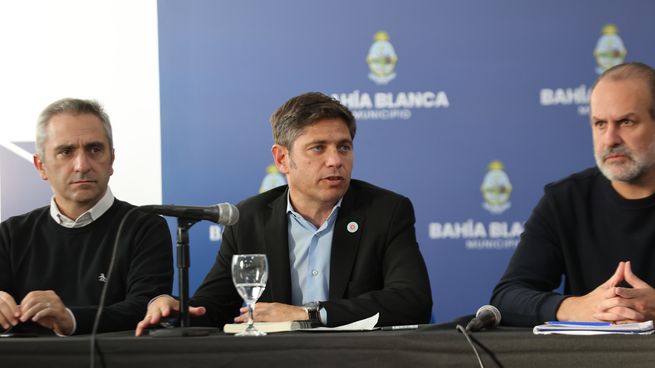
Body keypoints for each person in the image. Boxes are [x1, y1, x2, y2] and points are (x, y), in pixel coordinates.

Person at [135, 92, 432, 335]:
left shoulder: (386, 211)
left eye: (344, 147)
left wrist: (309, 314)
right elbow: (214, 304)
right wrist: (178, 308)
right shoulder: (248, 218)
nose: (335, 160)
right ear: (282, 158)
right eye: (318, 148)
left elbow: (411, 300)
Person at [491, 62, 655, 326]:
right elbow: (506, 297)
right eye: (600, 124)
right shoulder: (565, 200)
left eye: (626, 122)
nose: (610, 139)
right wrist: (578, 307)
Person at [0, 98, 173, 335]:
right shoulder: (10, 234)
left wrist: (70, 319)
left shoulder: (144, 227)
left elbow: (146, 309)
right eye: (66, 152)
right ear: (41, 166)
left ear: (111, 160)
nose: (82, 164)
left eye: (94, 149)